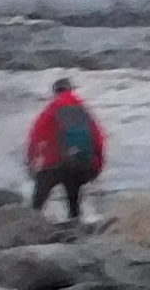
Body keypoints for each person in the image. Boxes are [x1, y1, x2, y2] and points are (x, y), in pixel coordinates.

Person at [24, 77, 104, 224]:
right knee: (73, 203)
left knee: (37, 204)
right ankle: (76, 229)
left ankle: (31, 227)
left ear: (55, 92)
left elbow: (35, 137)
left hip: (54, 164)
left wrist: (30, 161)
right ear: (71, 90)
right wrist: (97, 166)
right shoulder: (83, 110)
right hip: (79, 164)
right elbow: (98, 139)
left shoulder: (52, 109)